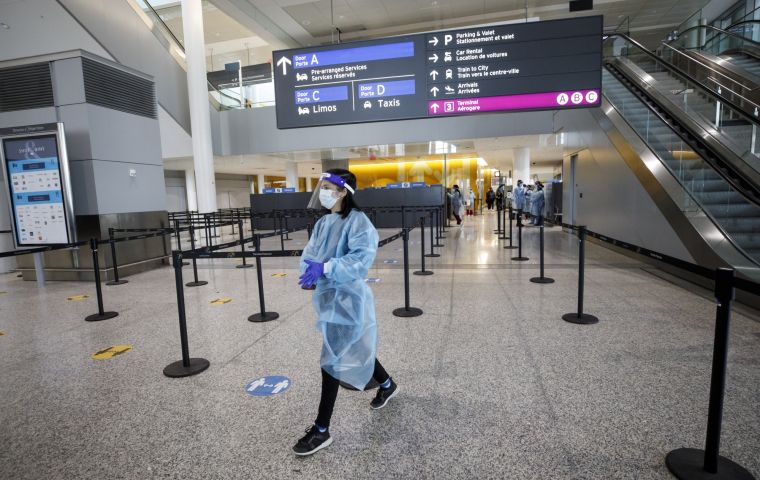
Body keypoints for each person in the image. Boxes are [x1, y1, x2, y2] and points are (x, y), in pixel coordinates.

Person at [294, 169, 399, 456]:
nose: (323, 193)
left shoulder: (359, 222)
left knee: (330, 358)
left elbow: (360, 260)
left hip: (349, 298)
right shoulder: (324, 222)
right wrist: (310, 272)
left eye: (328, 188)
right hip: (329, 297)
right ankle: (387, 385)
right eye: (322, 188)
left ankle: (321, 430)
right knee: (352, 345)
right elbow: (311, 252)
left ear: (343, 192)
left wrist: (326, 268)